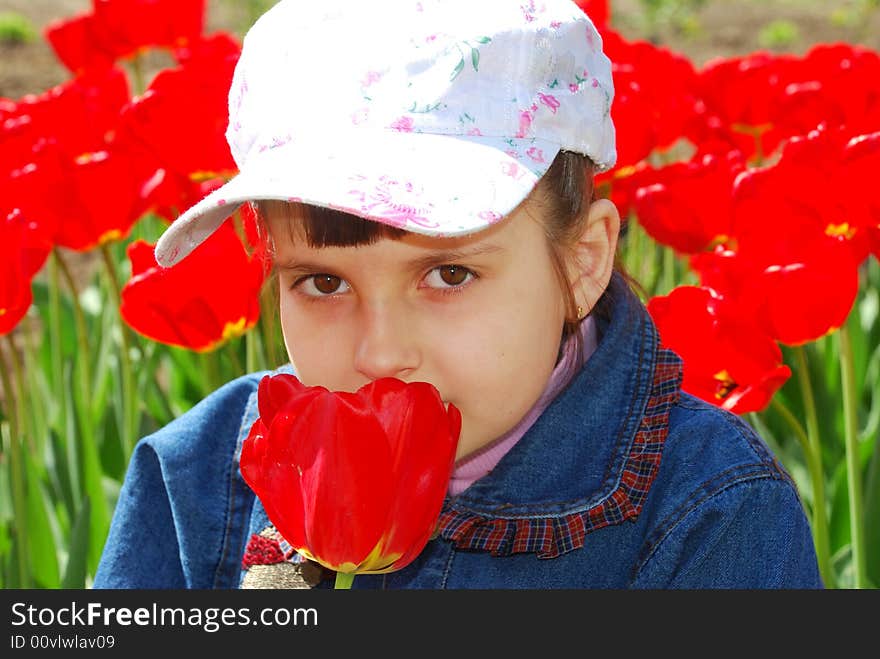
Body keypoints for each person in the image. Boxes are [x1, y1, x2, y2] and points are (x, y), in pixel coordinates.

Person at [93, 0, 822, 589]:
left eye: (449, 274)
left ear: (583, 261)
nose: (380, 352)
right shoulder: (203, 480)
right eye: (322, 281)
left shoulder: (709, 513)